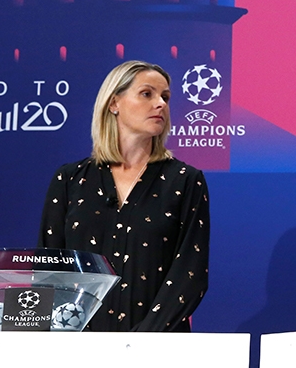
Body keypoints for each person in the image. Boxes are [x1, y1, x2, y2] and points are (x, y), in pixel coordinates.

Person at [39, 60, 209, 331]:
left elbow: (190, 274)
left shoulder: (185, 181)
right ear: (114, 103)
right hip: (80, 349)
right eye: (147, 94)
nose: (161, 104)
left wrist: (140, 341)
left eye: (165, 97)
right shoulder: (70, 179)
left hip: (157, 349)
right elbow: (51, 268)